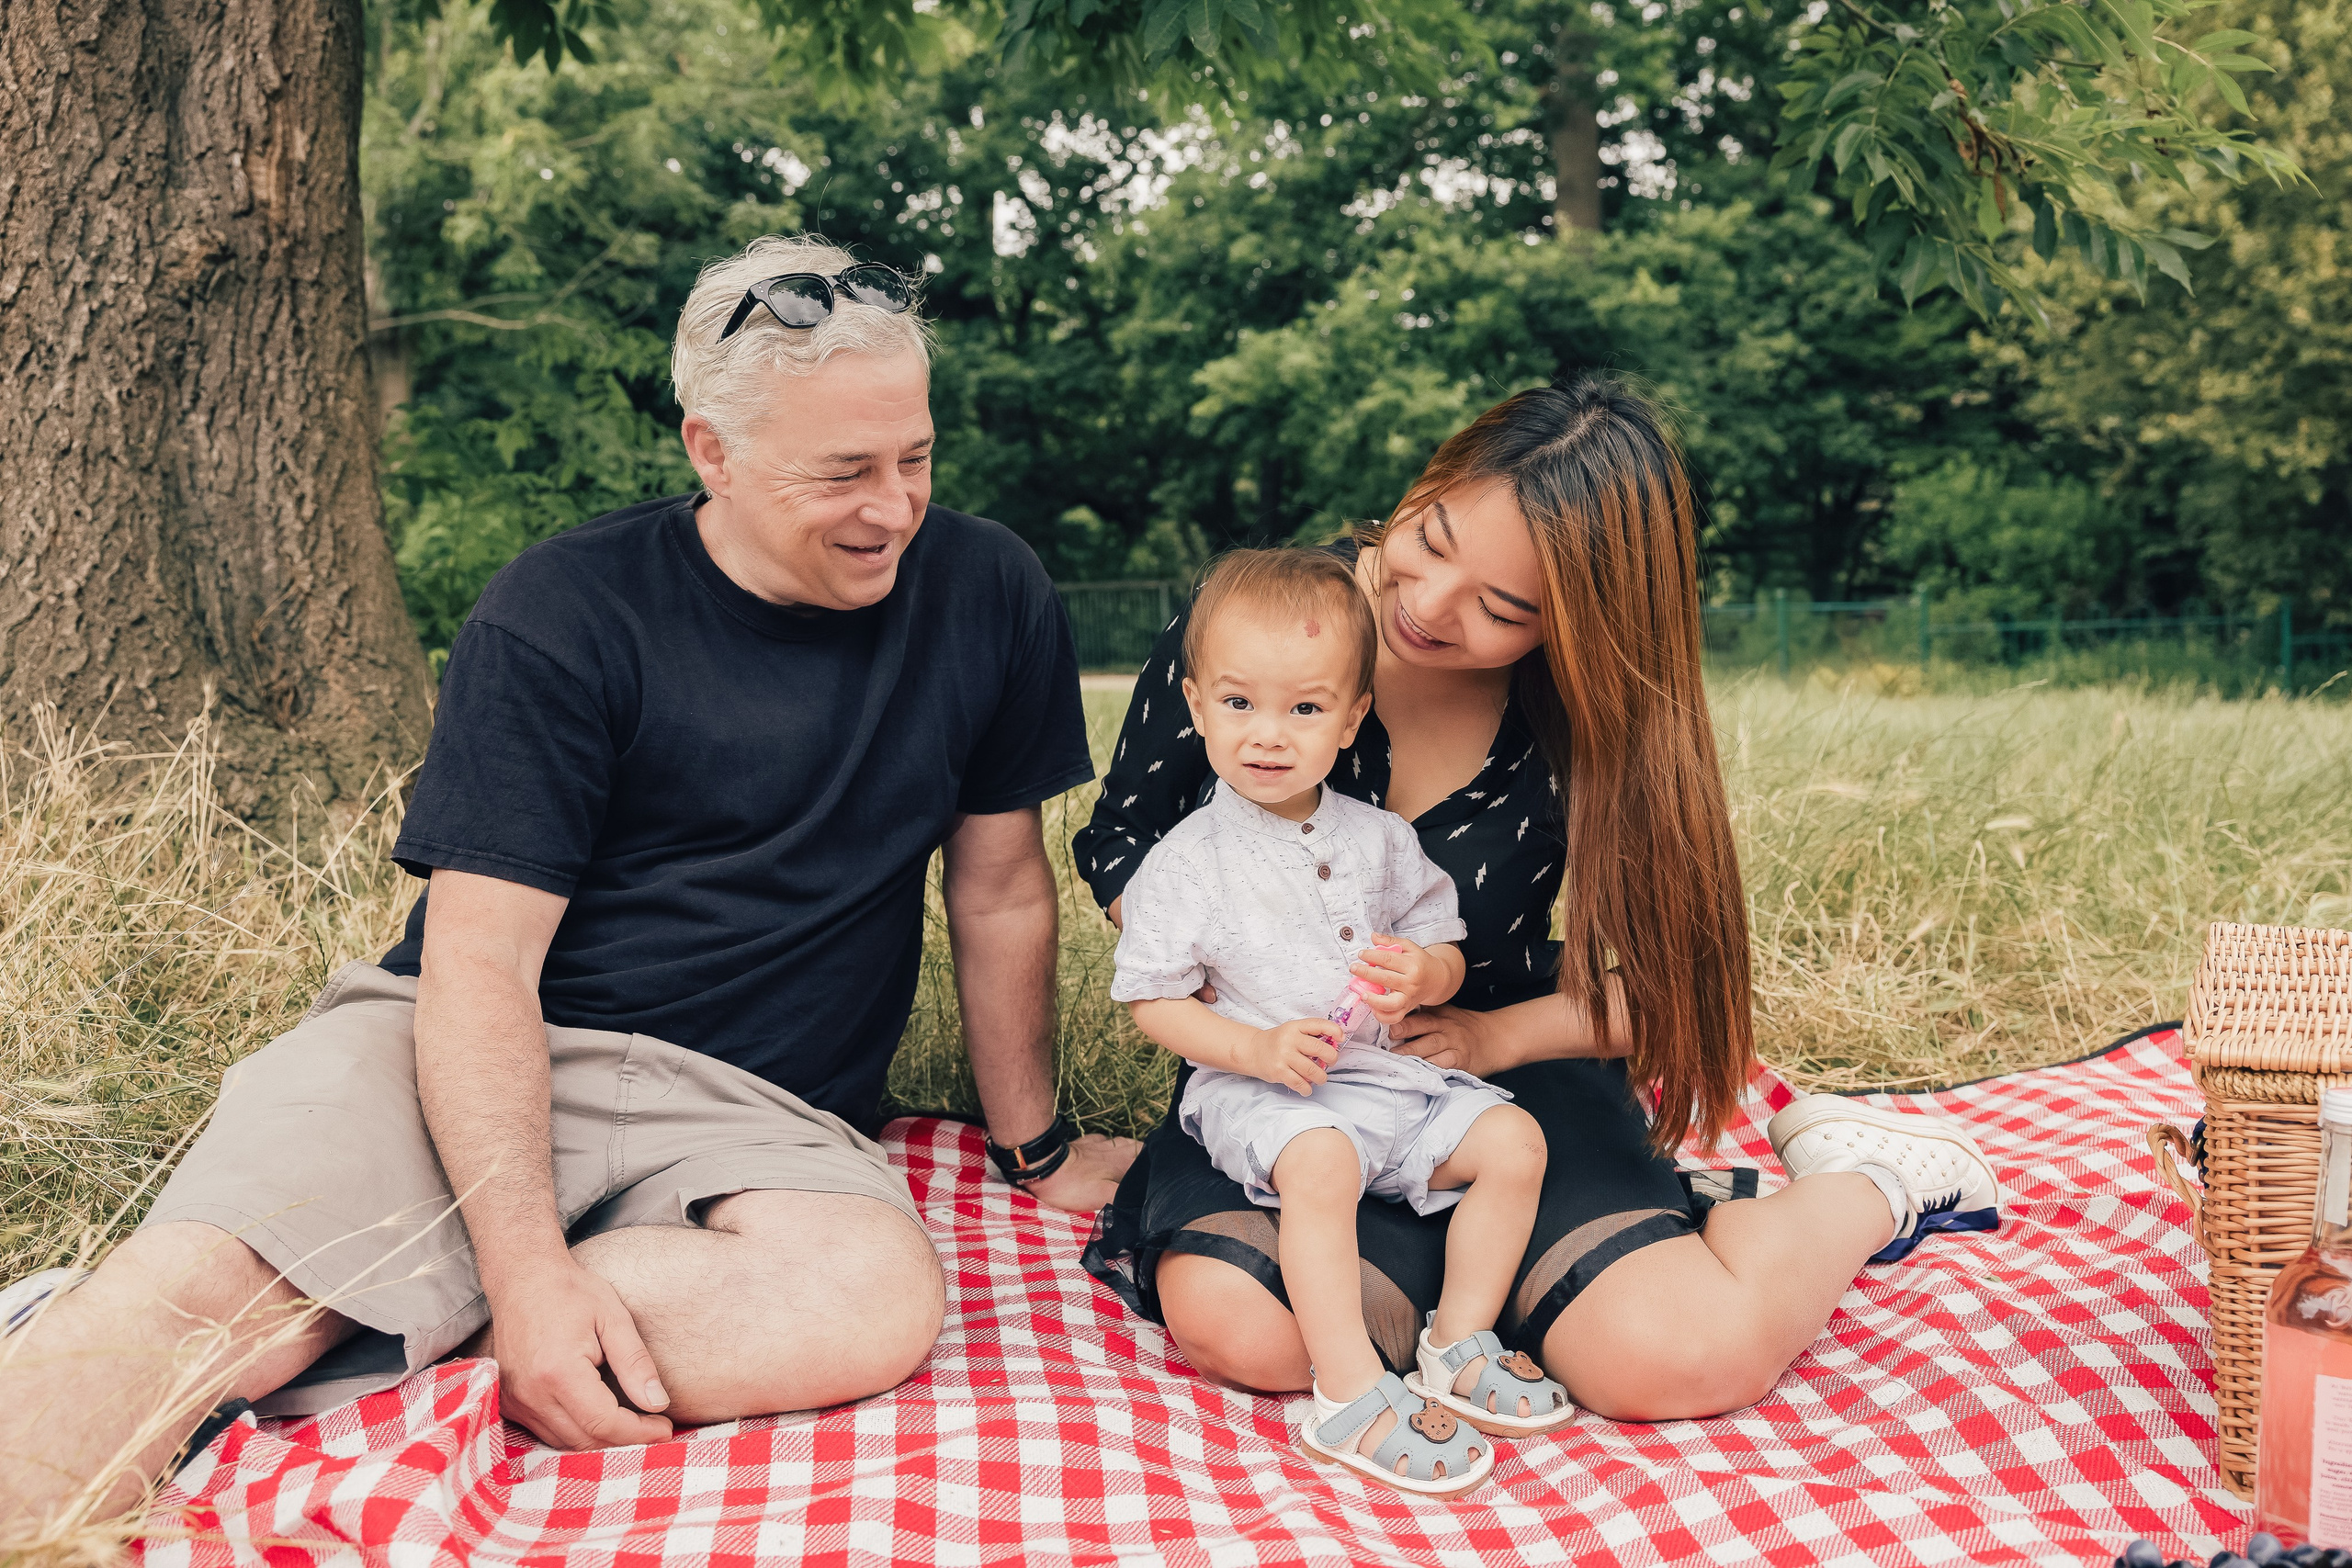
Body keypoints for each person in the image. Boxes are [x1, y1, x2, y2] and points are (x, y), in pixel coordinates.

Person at [0, 233, 1135, 1532]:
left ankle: (362, 1318)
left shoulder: (989, 591)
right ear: (713, 450)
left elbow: (998, 891)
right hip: (470, 1045)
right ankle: (199, 1336)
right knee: (192, 1299)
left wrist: (1036, 1147)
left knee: (866, 1301)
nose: (894, 508)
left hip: (752, 1113)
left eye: (914, 458)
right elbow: (480, 964)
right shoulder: (562, 612)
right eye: (843, 473)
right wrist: (529, 1275)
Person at [1078, 374, 2003, 1422]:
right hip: (1292, 1074)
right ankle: (1514, 1287)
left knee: (1678, 1360)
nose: (1428, 606)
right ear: (1426, 484)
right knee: (1247, 1328)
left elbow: (1675, 987)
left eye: (1503, 608)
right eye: (1428, 542)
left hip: (1507, 1069)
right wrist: (1239, 969)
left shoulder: (1593, 714)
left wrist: (1493, 1037)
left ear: (1579, 628)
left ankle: (1865, 1184)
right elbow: (1122, 839)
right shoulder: (1265, 621)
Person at [1111, 549, 1570, 1498]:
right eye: (1239, 703)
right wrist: (1251, 1047)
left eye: (1305, 709)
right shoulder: (1185, 863)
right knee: (1319, 1162)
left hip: (1380, 1074)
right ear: (1196, 706)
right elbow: (1152, 999)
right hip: (1256, 1089)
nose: (1267, 735)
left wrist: (1425, 975)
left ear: (1352, 718)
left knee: (1514, 1142)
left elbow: (1441, 940)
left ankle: (1458, 1340)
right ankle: (1350, 1389)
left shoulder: (1380, 839)